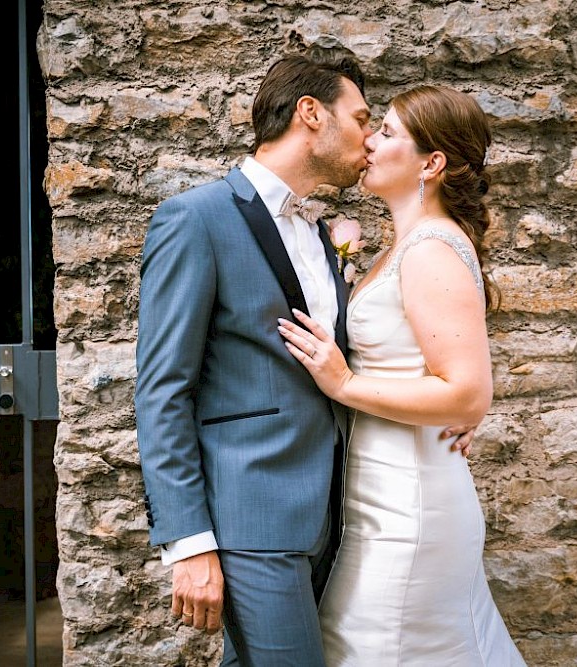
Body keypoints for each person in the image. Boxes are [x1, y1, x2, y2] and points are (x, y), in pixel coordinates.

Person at [135, 47, 477, 666]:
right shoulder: (197, 219)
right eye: (361, 118)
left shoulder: (321, 234)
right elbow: (164, 389)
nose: (369, 137)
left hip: (334, 517)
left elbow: (360, 360)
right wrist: (188, 542)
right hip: (251, 521)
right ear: (311, 113)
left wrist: (448, 401)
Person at [278, 85, 527, 665]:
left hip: (410, 508)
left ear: (432, 163)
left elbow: (466, 391)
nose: (369, 139)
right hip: (383, 494)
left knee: (381, 645)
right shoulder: (407, 245)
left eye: (387, 132)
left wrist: (343, 385)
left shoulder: (430, 249)